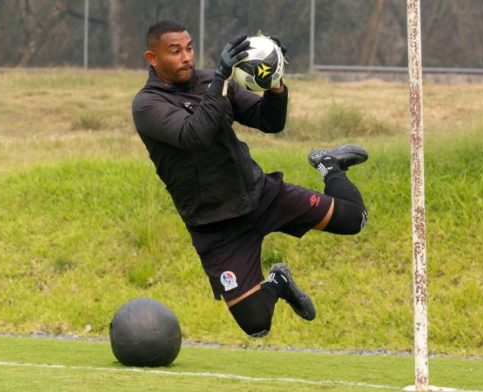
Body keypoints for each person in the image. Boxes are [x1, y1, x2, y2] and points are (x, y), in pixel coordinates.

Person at [132, 20, 369, 338]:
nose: (187, 57)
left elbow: (269, 121)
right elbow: (194, 135)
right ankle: (279, 282)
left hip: (262, 195)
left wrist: (275, 82)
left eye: (189, 48)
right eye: (175, 51)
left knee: (355, 219)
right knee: (257, 325)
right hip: (216, 227)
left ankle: (329, 165)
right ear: (152, 58)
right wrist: (220, 79)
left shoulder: (208, 82)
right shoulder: (147, 105)